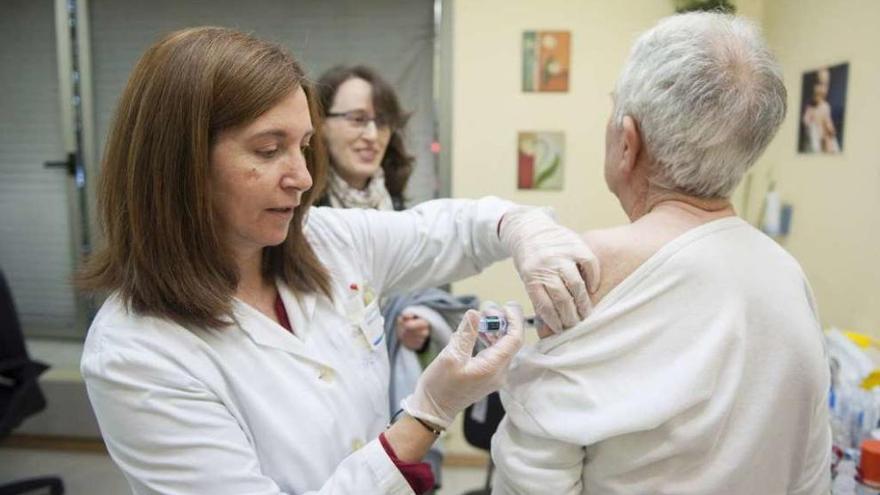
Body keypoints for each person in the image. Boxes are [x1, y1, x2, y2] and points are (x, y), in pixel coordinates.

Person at [76, 27, 599, 495]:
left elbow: (454, 228)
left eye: (303, 147)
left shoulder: (326, 240)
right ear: (180, 163)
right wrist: (428, 412)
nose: (302, 178)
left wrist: (525, 230)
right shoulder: (136, 353)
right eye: (267, 149)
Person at [492, 12, 830, 495]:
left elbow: (533, 476)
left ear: (628, 142)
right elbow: (810, 468)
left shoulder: (593, 264)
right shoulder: (788, 275)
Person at [315, 64, 469, 491]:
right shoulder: (298, 214)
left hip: (390, 404)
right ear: (319, 125)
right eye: (358, 119)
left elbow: (417, 292)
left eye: (381, 121)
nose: (372, 134)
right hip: (326, 407)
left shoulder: (395, 207)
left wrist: (415, 323)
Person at [802, 68, 840, 153]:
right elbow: (806, 121)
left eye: (825, 85)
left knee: (830, 142)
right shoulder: (809, 107)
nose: (822, 90)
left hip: (824, 139)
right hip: (814, 140)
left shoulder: (826, 106)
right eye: (818, 84)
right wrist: (808, 122)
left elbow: (828, 121)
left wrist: (830, 129)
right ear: (811, 85)